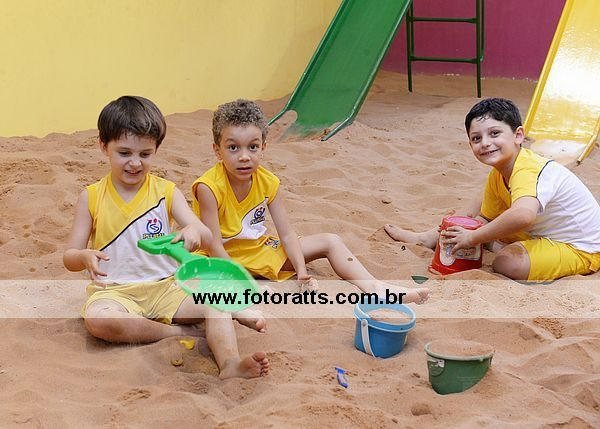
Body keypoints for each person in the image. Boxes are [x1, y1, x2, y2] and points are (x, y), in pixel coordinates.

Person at [63, 96, 269, 379]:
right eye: (124, 153)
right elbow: (69, 257)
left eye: (145, 154)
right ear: (103, 146)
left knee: (216, 298)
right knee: (99, 320)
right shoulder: (91, 196)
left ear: (156, 150)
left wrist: (192, 232)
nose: (135, 163)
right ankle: (178, 332)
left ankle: (230, 363)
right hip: (115, 292)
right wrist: (84, 256)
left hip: (168, 289)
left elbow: (204, 232)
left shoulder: (166, 192)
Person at [191, 99, 429, 303]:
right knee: (199, 281)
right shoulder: (208, 187)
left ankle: (375, 288)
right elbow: (214, 246)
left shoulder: (269, 182)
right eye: (233, 148)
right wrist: (245, 283)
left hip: (257, 251)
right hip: (218, 259)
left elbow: (286, 234)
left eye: (252, 147)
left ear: (263, 147)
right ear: (217, 150)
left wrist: (301, 270)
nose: (244, 156)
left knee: (331, 241)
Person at [385, 98, 600, 281]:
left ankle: (490, 243)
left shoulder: (528, 169)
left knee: (506, 263)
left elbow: (523, 215)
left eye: (495, 133)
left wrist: (472, 238)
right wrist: (467, 230)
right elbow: (482, 218)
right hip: (537, 233)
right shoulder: (500, 172)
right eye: (476, 138)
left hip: (580, 248)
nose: (486, 143)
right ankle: (429, 238)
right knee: (480, 208)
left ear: (518, 136)